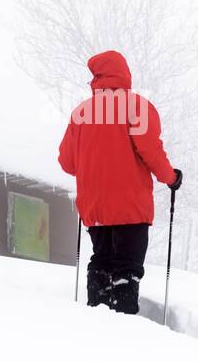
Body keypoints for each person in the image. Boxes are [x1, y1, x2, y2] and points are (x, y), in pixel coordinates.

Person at [58, 50, 183, 314]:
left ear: (96, 77)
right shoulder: (136, 107)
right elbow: (151, 152)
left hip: (95, 210)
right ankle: (122, 324)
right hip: (130, 207)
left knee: (101, 261)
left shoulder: (81, 114)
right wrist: (171, 178)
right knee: (127, 267)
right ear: (124, 74)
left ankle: (95, 313)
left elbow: (67, 163)